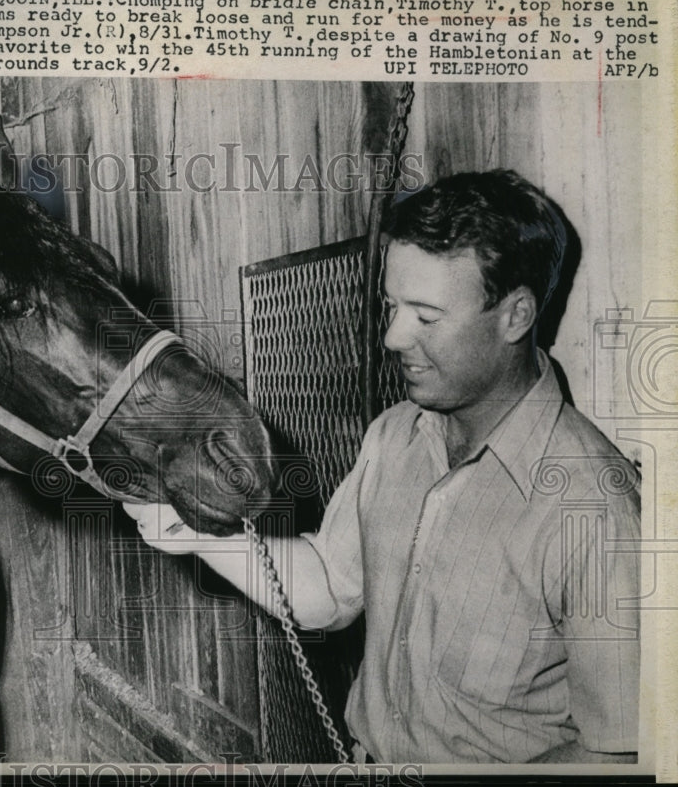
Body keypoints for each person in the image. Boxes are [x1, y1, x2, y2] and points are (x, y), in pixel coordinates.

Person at [125, 170, 641, 764]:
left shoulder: (595, 508)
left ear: (516, 315)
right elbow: (328, 590)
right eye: (391, 306)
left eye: (425, 316)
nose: (393, 336)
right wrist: (191, 529)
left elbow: (618, 756)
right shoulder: (395, 435)